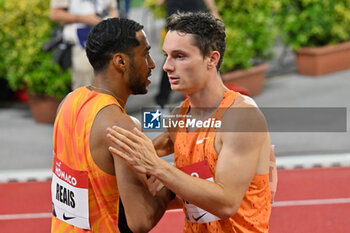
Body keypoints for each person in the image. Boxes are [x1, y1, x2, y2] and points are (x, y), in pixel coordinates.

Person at [107, 12, 273, 232]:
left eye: (179, 56)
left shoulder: (242, 118)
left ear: (212, 59)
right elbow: (144, 154)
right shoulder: (179, 116)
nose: (166, 66)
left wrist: (159, 168)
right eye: (166, 55)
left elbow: (226, 202)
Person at [51, 17, 175, 233]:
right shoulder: (123, 126)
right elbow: (140, 220)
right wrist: (171, 186)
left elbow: (95, 164)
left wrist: (153, 150)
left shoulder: (69, 102)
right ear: (121, 62)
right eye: (145, 54)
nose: (152, 64)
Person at [154, 0, 220, 108]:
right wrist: (213, 10)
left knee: (189, 58)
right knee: (180, 58)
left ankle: (175, 100)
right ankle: (163, 101)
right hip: (183, 17)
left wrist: (213, 10)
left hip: (191, 16)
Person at [50, 0, 118, 90]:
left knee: (108, 90)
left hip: (106, 43)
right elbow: (55, 14)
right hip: (81, 44)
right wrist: (82, 18)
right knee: (84, 92)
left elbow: (113, 9)